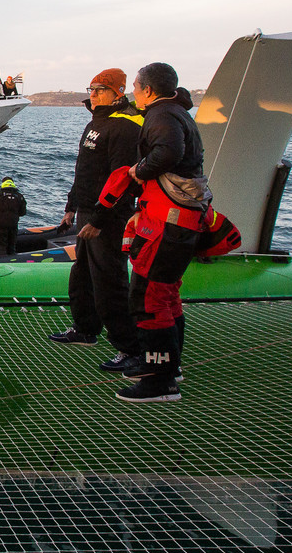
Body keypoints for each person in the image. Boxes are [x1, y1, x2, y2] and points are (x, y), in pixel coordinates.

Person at [96, 62, 241, 402]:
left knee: (149, 298)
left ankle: (160, 381)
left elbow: (168, 152)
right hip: (181, 221)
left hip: (168, 223)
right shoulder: (177, 113)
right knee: (167, 294)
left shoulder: (161, 117)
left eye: (135, 86)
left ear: (147, 90)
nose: (133, 91)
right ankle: (168, 367)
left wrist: (138, 171)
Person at [49, 68, 144, 362]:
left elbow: (122, 180)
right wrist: (71, 206)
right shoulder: (98, 122)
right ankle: (85, 328)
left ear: (118, 92)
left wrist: (98, 220)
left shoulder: (125, 128)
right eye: (91, 88)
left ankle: (129, 347)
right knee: (82, 274)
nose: (92, 94)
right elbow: (85, 171)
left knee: (110, 280)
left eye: (100, 89)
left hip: (108, 216)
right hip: (88, 210)